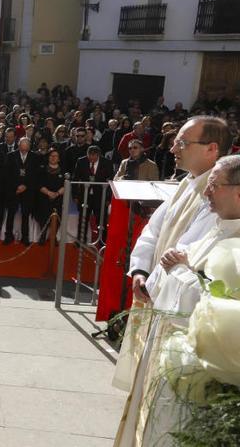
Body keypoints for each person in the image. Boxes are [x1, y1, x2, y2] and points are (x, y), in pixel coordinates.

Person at [113, 116, 233, 446]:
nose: (173, 148)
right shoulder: (186, 183)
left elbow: (192, 255)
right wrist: (139, 270)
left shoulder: (222, 193)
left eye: (182, 142)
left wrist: (159, 279)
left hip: (179, 319)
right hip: (158, 299)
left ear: (212, 149)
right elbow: (154, 231)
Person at [3, 137, 37, 245]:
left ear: (29, 147)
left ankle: (25, 237)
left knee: (25, 214)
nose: (23, 150)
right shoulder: (11, 156)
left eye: (26, 148)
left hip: (27, 191)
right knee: (11, 213)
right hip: (14, 190)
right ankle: (8, 236)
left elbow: (35, 175)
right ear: (18, 146)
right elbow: (7, 174)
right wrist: (16, 187)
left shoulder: (34, 157)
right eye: (22, 148)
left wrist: (25, 186)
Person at [34, 148, 65, 244]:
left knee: (56, 219)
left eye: (55, 156)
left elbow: (65, 185)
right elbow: (38, 183)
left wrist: (56, 194)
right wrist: (48, 193)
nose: (53, 157)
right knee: (43, 217)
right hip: (44, 198)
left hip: (58, 198)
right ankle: (42, 236)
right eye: (51, 156)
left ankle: (53, 236)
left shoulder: (63, 171)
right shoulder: (42, 169)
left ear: (59, 159)